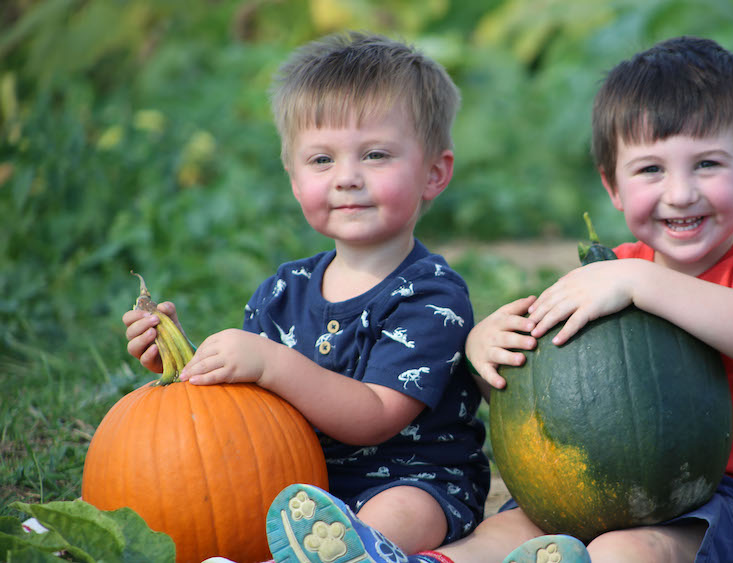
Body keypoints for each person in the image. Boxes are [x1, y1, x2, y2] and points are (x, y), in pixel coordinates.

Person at [284, 35, 733, 563]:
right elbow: (568, 395)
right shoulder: (610, 273)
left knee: (620, 550)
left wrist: (639, 281)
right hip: (601, 488)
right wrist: (485, 350)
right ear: (613, 186)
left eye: (707, 164)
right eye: (651, 170)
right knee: (511, 531)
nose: (680, 192)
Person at [121, 32, 490, 558]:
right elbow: (251, 412)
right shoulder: (281, 292)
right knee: (239, 509)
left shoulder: (432, 296)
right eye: (321, 161)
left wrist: (270, 363)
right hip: (296, 482)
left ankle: (364, 550)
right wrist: (182, 358)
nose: (347, 178)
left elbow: (373, 415)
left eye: (376, 154)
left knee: (401, 511)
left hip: (414, 479)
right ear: (294, 179)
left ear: (434, 173)